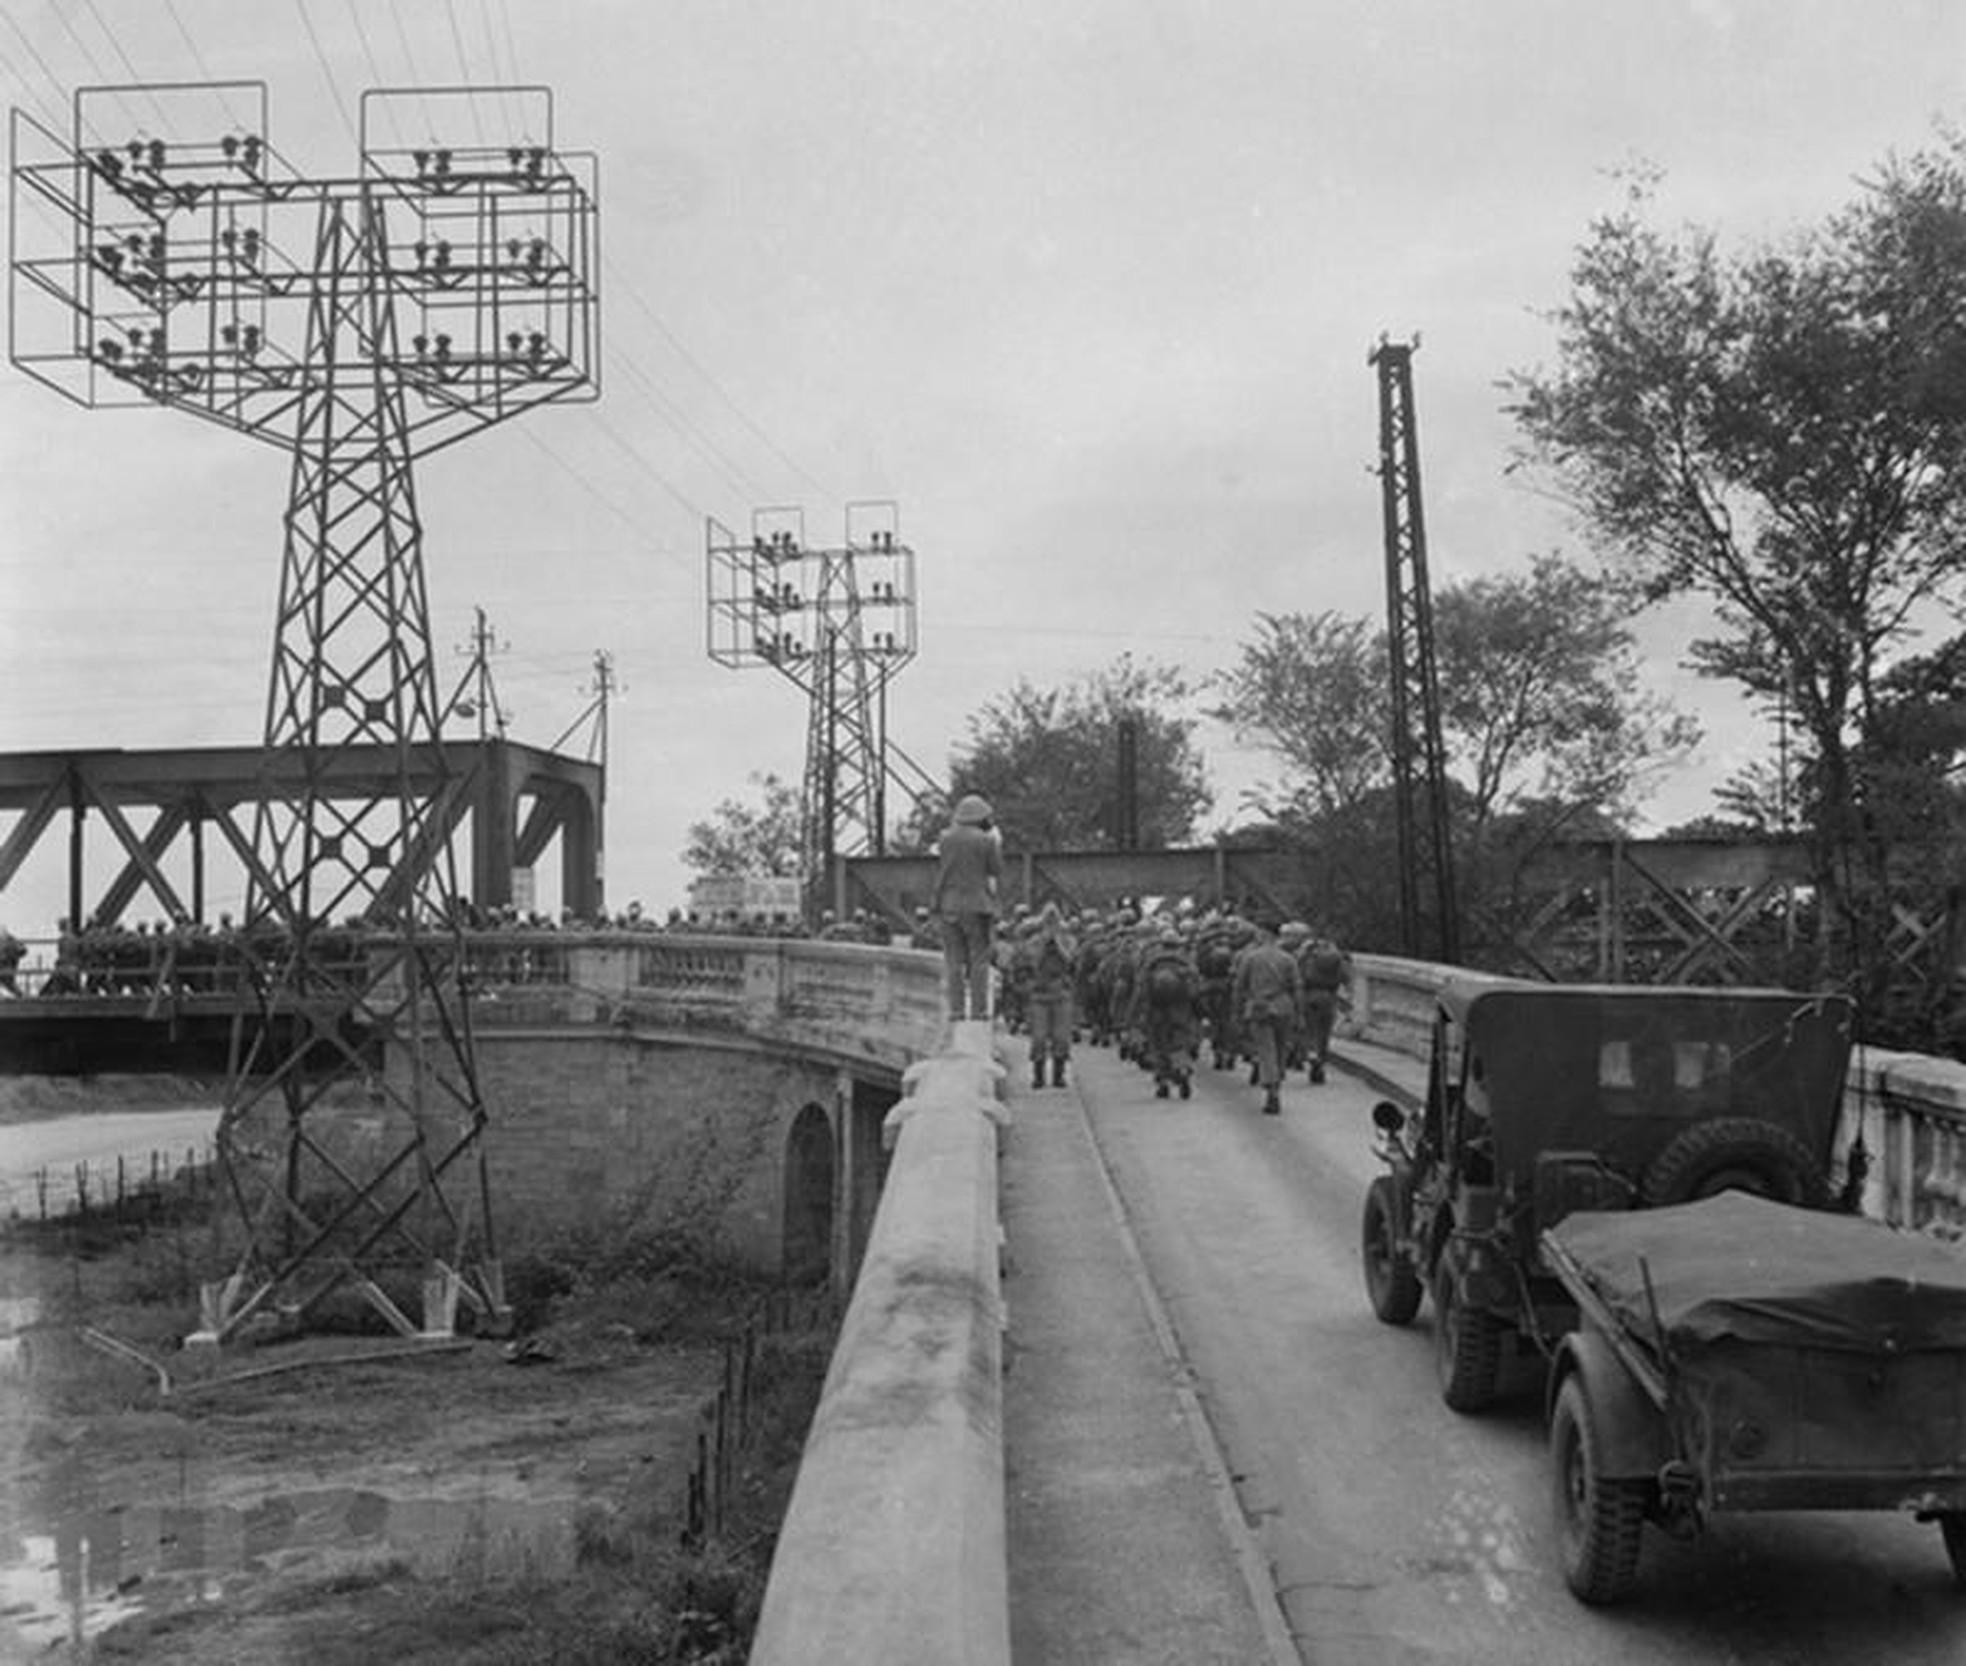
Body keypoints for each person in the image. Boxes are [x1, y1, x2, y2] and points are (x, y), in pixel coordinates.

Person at [930, 793, 1002, 1020]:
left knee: (953, 961)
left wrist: (935, 903)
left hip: (949, 904)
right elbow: (996, 869)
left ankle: (956, 1010)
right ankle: (979, 1011)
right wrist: (995, 841)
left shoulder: (945, 839)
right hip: (977, 906)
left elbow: (943, 872)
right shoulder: (986, 840)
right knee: (979, 959)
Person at [1232, 922, 1303, 1116]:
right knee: (1281, 1049)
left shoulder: (1251, 958)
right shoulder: (1288, 959)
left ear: (1263, 935)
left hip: (1259, 1009)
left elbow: (1239, 987)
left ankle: (1271, 1088)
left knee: (1266, 1050)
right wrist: (1300, 1014)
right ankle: (1277, 1080)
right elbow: (1297, 987)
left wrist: (1237, 1012)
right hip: (1284, 1008)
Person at [1133, 925, 1202, 1099]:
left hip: (1156, 1012)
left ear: (1161, 944)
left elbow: (1142, 990)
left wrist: (1137, 1013)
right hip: (1181, 1011)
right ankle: (1182, 1068)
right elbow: (1195, 989)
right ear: (1178, 944)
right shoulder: (1186, 961)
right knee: (1179, 1042)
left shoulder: (1152, 961)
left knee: (1159, 1045)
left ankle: (1163, 1082)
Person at [1018, 903, 1078, 1088]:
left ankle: (1059, 1075)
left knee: (1061, 1038)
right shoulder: (1034, 941)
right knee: (1039, 1037)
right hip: (1039, 994)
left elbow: (1070, 960)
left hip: (1061, 993)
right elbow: (1033, 961)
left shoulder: (1068, 940)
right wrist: (1044, 942)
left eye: (1055, 920)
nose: (1051, 924)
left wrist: (1058, 943)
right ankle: (1038, 1076)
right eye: (1048, 920)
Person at [1296, 927, 1352, 1084]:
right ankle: (1320, 1063)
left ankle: (1311, 1052)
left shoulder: (1309, 956)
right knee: (1324, 1033)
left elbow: (1297, 973)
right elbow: (1346, 979)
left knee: (1310, 1029)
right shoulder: (1336, 958)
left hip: (1310, 996)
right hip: (1329, 998)